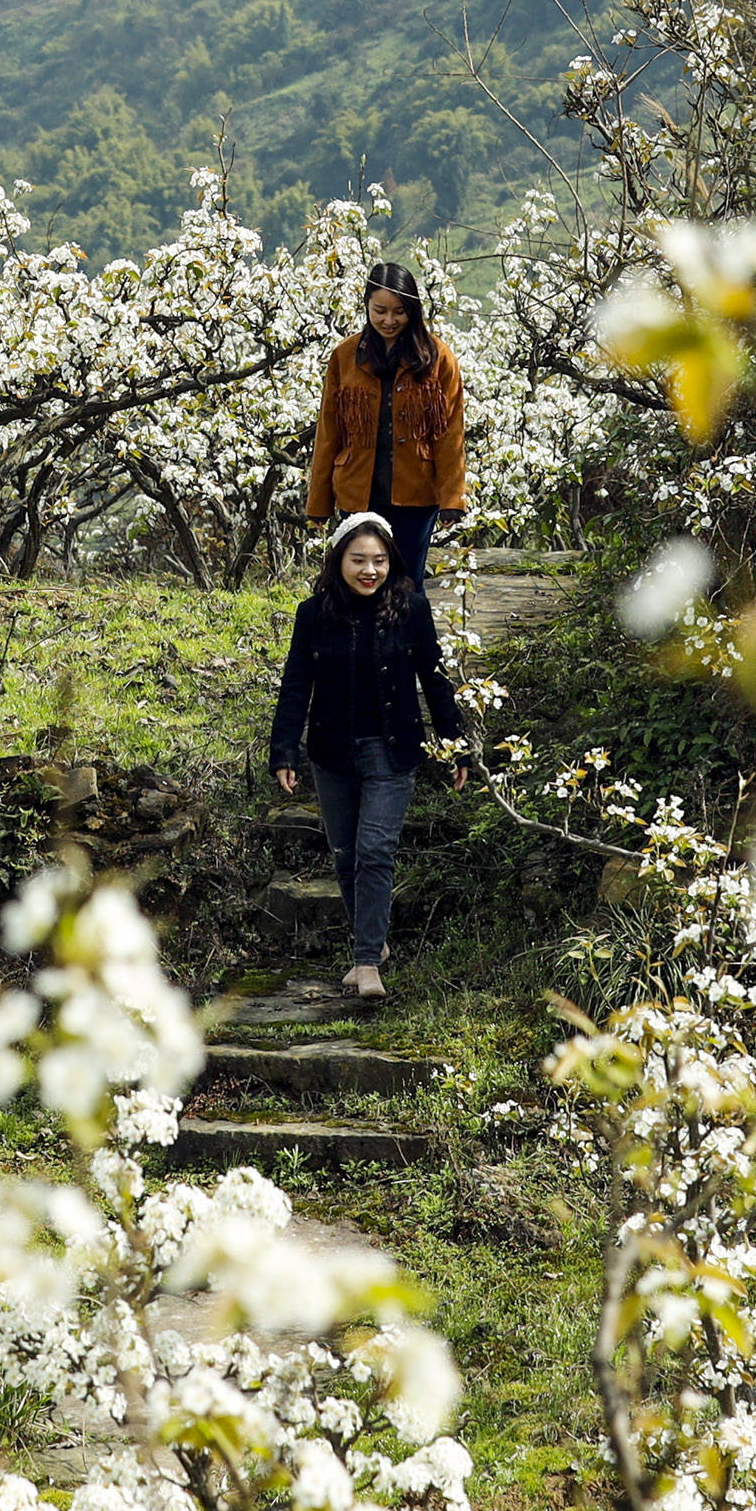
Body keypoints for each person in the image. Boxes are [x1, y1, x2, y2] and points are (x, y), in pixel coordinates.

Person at [268, 509, 468, 1001]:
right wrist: (283, 750)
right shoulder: (313, 614)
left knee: (375, 851)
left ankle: (365, 963)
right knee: (344, 857)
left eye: (379, 560)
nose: (369, 570)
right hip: (332, 752)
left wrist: (456, 744)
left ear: (392, 561)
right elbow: (296, 685)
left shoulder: (410, 608)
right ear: (339, 560)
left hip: (393, 749)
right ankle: (371, 945)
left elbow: (434, 680)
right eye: (358, 559)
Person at [304, 259, 466, 583]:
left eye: (399, 311)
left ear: (413, 310)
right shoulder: (345, 355)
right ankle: (362, 636)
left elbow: (450, 433)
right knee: (362, 580)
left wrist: (452, 499)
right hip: (357, 490)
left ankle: (411, 636)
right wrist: (319, 502)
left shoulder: (437, 357)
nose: (389, 320)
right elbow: (328, 431)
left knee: (408, 581)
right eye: (379, 310)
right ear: (366, 305)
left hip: (417, 492)